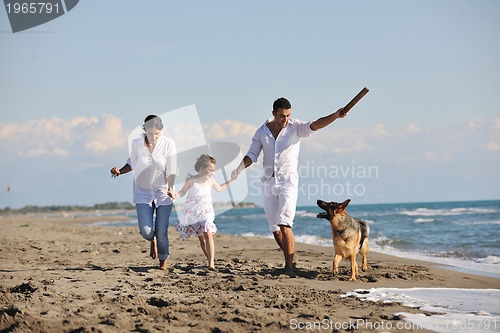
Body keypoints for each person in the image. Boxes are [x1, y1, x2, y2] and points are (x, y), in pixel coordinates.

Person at [231, 97, 346, 274]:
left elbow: (315, 124)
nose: (285, 119)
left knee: (285, 223)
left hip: (288, 182)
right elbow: (252, 154)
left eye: (288, 115)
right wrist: (239, 169)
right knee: (275, 230)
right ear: (274, 114)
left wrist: (335, 115)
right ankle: (291, 260)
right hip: (269, 182)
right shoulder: (261, 132)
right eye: (282, 116)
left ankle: (289, 267)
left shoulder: (295, 127)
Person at [110, 115, 177, 270]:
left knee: (162, 231)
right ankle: (151, 241)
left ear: (161, 131)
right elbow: (131, 163)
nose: (153, 137)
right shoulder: (136, 144)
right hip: (143, 192)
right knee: (146, 232)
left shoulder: (168, 144)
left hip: (163, 193)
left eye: (157, 134)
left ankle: (162, 263)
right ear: (144, 130)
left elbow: (172, 168)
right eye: (150, 133)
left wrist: (171, 187)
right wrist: (119, 171)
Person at [172, 154, 235, 271]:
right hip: (193, 214)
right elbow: (181, 192)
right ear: (201, 168)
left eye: (214, 170)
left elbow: (220, 188)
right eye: (210, 170)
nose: (212, 173)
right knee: (202, 239)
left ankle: (211, 264)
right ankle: (209, 259)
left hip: (206, 212)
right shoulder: (191, 180)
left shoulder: (210, 181)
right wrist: (174, 195)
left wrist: (232, 180)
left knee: (208, 232)